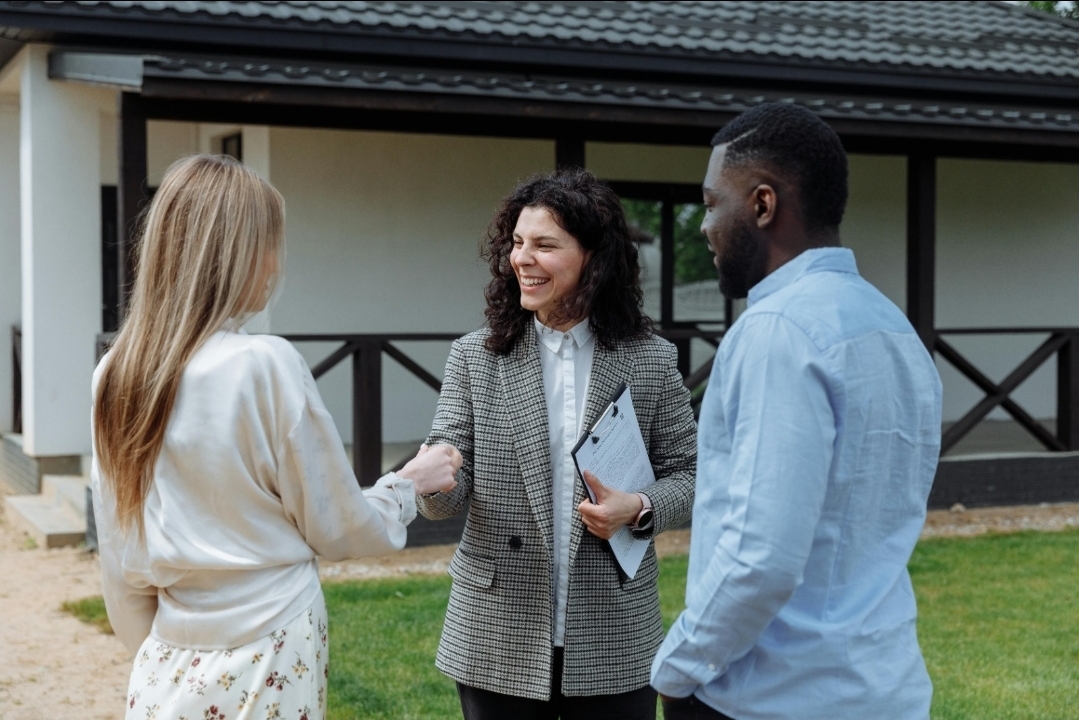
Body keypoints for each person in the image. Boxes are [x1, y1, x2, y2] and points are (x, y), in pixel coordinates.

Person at [91, 154, 461, 720]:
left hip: (167, 652)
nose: (274, 263)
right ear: (236, 254)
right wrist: (407, 486)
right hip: (271, 643)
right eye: (269, 244)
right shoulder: (263, 364)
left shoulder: (115, 373)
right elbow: (335, 526)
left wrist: (162, 650)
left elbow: (120, 556)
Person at [650, 103, 943, 720]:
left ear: (763, 204)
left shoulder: (777, 331)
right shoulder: (892, 325)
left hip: (769, 698)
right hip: (883, 690)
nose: (704, 227)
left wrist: (677, 669)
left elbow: (760, 558)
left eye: (711, 204)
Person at [418, 169, 697, 719]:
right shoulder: (475, 357)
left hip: (615, 631)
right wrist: (436, 479)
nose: (522, 259)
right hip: (498, 629)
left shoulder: (652, 359)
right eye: (517, 243)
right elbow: (447, 489)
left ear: (594, 258)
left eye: (544, 245)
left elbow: (691, 474)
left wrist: (638, 507)